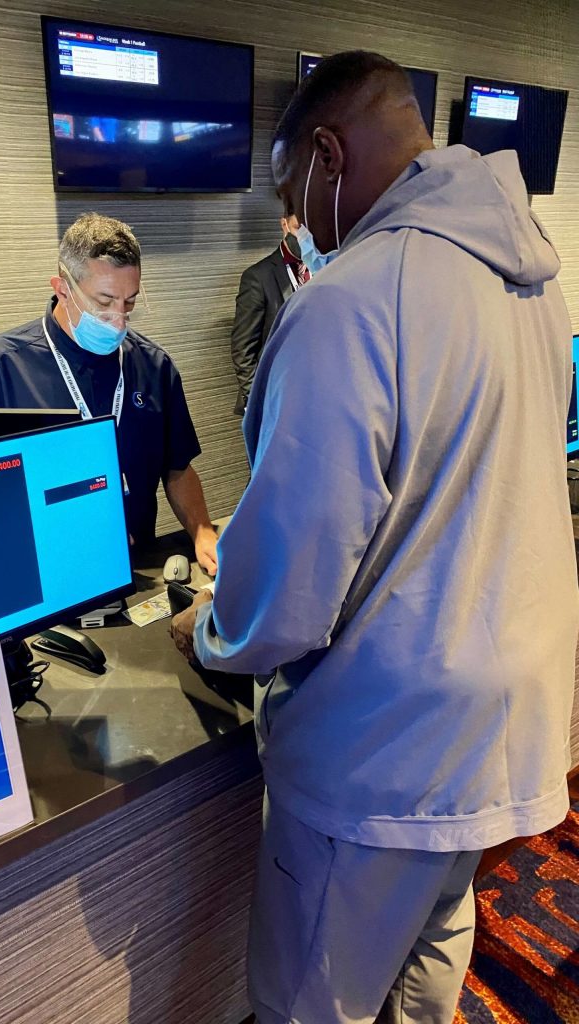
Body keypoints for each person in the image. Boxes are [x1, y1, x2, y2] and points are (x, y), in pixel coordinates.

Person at [171, 50, 577, 1024]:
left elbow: (288, 585)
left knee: (315, 997)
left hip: (384, 750)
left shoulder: (349, 301)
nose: (300, 228)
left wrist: (210, 632)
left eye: (294, 199)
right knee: (435, 949)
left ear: (326, 154)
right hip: (508, 719)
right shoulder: (530, 281)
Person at [0, 213, 219, 574]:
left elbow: (178, 468)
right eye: (104, 301)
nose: (118, 320)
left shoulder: (153, 366)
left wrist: (202, 529)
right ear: (63, 288)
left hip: (134, 563)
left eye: (129, 303)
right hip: (42, 569)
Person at [230, 216, 309, 413]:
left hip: (313, 393)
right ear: (284, 224)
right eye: (298, 228)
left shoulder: (324, 268)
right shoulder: (257, 277)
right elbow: (243, 349)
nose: (305, 236)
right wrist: (258, 403)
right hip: (275, 398)